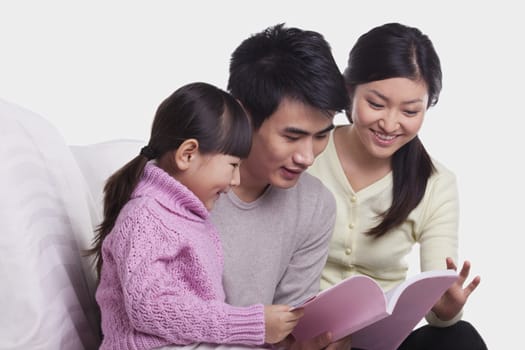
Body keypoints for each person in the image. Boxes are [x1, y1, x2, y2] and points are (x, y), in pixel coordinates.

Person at [308, 22, 487, 349]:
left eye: (410, 111)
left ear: (427, 106)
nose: (389, 124)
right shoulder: (308, 152)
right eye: (376, 104)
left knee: (460, 338)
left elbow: (438, 302)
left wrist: (447, 310)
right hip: (306, 337)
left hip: (381, 341)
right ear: (350, 91)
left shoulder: (436, 183)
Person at [88, 82, 305, 349]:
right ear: (187, 154)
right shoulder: (145, 217)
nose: (235, 180)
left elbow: (200, 318)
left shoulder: (188, 219)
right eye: (233, 165)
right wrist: (250, 325)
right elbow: (148, 309)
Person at [208, 23, 350, 349]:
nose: (307, 156)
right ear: (243, 114)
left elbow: (287, 333)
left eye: (322, 135)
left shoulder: (315, 205)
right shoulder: (184, 185)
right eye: (292, 136)